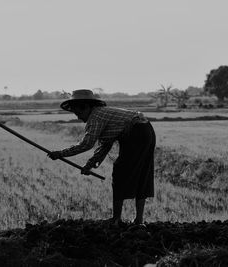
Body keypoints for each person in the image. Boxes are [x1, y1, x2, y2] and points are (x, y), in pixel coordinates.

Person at [47, 89, 156, 226]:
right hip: (146, 129)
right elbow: (104, 146)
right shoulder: (102, 114)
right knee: (142, 173)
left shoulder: (96, 117)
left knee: (120, 171)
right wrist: (90, 164)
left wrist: (60, 153)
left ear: (86, 107)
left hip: (136, 132)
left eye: (79, 113)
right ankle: (138, 220)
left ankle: (116, 219)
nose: (78, 117)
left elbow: (86, 144)